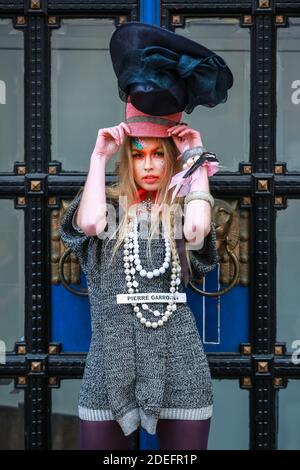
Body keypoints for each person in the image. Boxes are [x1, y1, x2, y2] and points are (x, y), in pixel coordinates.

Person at [59, 22, 233, 450]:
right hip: (108, 368)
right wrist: (99, 157)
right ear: (127, 160)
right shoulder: (105, 202)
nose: (150, 164)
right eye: (139, 155)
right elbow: (92, 224)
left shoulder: (179, 205)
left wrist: (194, 160)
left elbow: (196, 230)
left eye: (160, 154)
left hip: (181, 365)